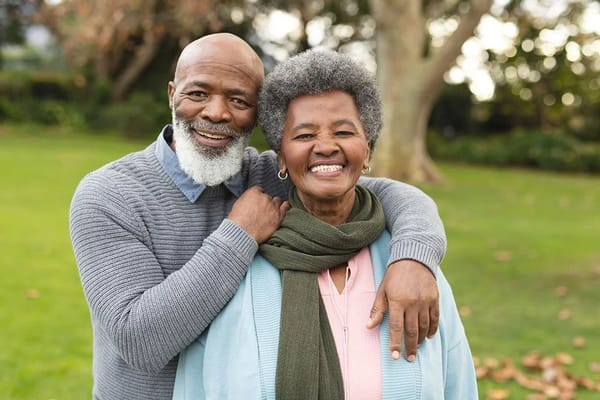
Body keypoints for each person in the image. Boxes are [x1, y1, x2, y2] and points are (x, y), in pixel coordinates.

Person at [69, 33, 447, 400]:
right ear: (172, 94)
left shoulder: (271, 175)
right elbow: (139, 342)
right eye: (198, 93)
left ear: (258, 114)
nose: (216, 112)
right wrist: (239, 233)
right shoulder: (110, 195)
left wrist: (414, 257)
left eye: (238, 99)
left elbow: (384, 192)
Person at [172, 48, 477, 399]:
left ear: (368, 149)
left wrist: (414, 259)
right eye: (304, 136)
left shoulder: (412, 268)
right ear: (281, 158)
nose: (326, 146)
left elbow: (458, 387)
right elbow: (193, 389)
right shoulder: (238, 273)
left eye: (344, 132)